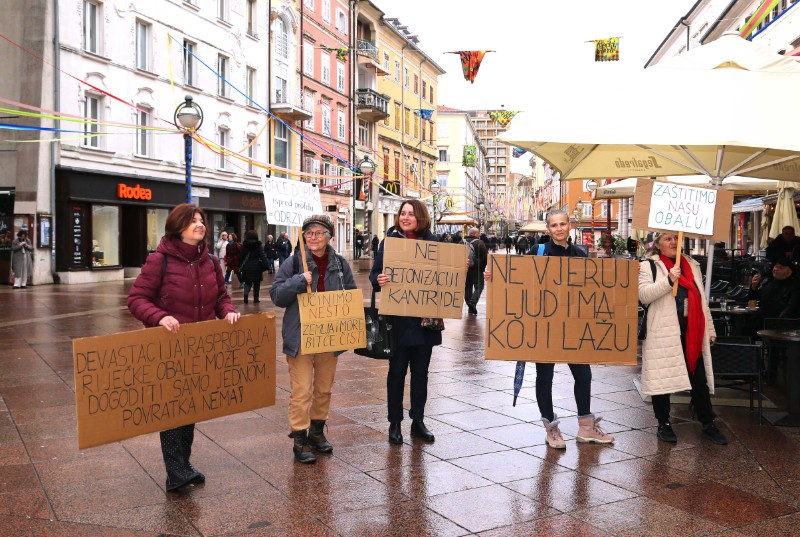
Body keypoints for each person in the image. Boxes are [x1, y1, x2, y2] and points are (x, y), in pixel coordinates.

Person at [127, 203, 240, 492]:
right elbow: (137, 300)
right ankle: (175, 471)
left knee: (189, 407)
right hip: (168, 347)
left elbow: (220, 297)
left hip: (199, 347)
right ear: (178, 226)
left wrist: (227, 311)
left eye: (202, 220)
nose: (200, 225)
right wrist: (160, 316)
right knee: (171, 409)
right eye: (193, 221)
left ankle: (184, 464)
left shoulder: (211, 261)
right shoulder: (159, 260)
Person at [485, 210, 614, 449]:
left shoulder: (581, 255)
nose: (559, 229)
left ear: (570, 225)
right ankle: (551, 429)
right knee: (545, 377)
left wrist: (625, 276)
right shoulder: (538, 252)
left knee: (583, 375)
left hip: (574, 326)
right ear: (548, 229)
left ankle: (586, 428)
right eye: (554, 225)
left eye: (563, 224)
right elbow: (515, 279)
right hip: (543, 326)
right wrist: (494, 277)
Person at [270, 215, 357, 464]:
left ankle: (316, 432)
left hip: (329, 337)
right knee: (301, 391)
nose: (313, 237)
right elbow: (277, 296)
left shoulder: (339, 264)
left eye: (319, 233)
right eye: (309, 233)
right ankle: (299, 438)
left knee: (323, 389)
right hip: (300, 337)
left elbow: (350, 294)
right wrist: (299, 281)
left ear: (329, 237)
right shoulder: (294, 263)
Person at [638, 231, 727, 446]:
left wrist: (711, 329)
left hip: (692, 329)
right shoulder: (648, 266)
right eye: (668, 239)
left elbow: (701, 299)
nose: (673, 242)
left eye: (676, 238)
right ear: (657, 244)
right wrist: (669, 280)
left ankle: (707, 422)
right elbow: (644, 296)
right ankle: (663, 423)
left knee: (699, 378)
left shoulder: (692, 264)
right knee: (663, 378)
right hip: (663, 329)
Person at [371, 199, 446, 445]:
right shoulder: (389, 243)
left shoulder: (433, 243)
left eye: (410, 214)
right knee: (396, 373)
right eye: (402, 213)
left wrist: (460, 269)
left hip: (425, 322)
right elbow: (374, 274)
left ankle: (418, 421)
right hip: (398, 322)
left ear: (420, 217)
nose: (405, 217)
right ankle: (395, 423)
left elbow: (446, 277)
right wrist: (378, 279)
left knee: (421, 374)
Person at [239, 230, 269, 304]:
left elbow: (241, 256)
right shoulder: (258, 245)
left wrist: (240, 265)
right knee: (256, 283)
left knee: (247, 282)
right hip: (257, 266)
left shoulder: (244, 245)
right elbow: (263, 256)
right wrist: (267, 266)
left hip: (247, 266)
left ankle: (246, 293)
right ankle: (256, 299)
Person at [464, 227, 488, 316]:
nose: (479, 235)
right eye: (478, 234)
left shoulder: (461, 242)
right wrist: (483, 267)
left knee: (467, 287)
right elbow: (485, 257)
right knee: (479, 286)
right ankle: (473, 303)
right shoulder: (479, 243)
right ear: (473, 234)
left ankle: (470, 307)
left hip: (465, 269)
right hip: (477, 269)